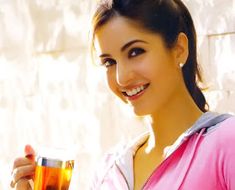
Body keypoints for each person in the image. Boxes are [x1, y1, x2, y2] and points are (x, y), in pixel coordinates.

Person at [11, 0, 235, 189]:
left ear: (179, 49)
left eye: (135, 52)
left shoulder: (226, 142)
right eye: (109, 62)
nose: (121, 78)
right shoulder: (110, 168)